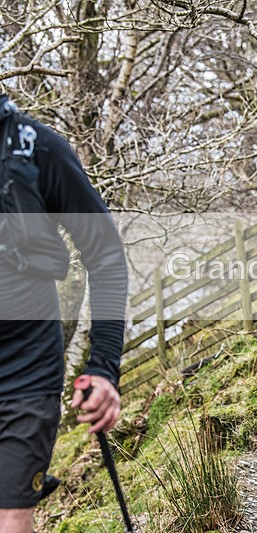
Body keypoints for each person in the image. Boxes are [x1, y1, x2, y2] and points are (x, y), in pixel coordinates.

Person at [0, 95, 128, 532]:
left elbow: (105, 253)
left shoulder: (37, 148)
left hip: (24, 370)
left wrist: (104, 366)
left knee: (10, 519)